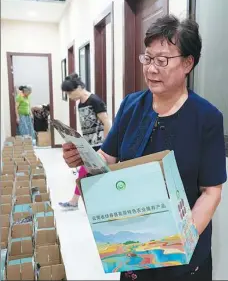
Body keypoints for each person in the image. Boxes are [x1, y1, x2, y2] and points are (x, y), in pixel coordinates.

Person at [62, 15, 227, 280]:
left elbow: (211, 192)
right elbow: (108, 157)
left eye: (161, 60)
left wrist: (181, 240)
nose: (151, 69)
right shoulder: (131, 105)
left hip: (182, 261)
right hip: (132, 250)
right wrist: (83, 158)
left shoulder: (206, 118)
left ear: (188, 63)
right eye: (147, 59)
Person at [59, 73, 111, 209]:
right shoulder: (80, 105)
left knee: (85, 171)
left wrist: (106, 143)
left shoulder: (94, 100)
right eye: (67, 94)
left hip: (99, 145)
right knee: (85, 171)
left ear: (80, 87)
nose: (70, 96)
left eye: (70, 92)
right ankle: (75, 201)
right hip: (89, 144)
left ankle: (74, 201)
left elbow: (107, 122)